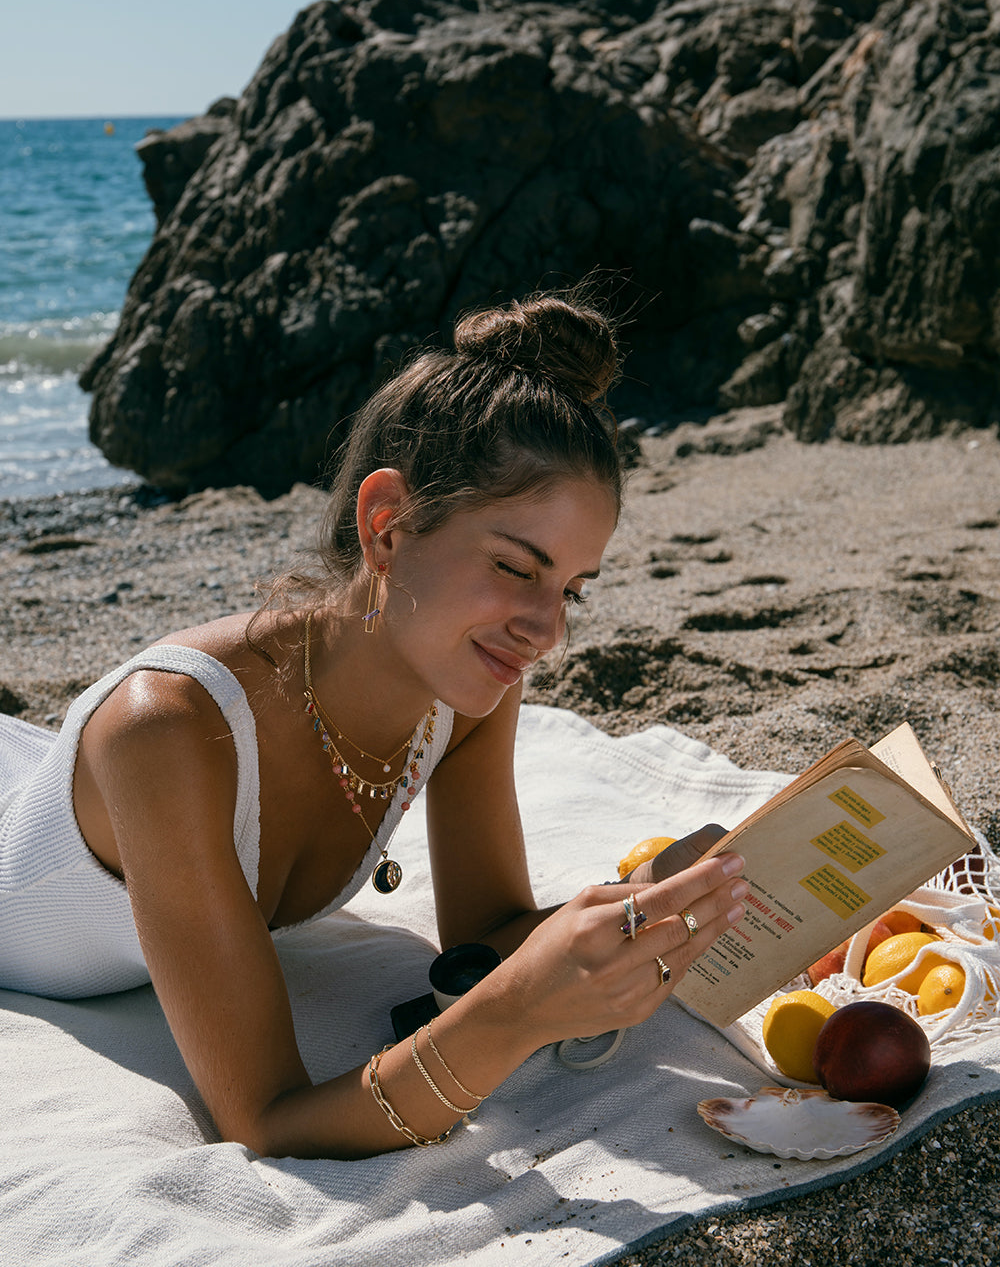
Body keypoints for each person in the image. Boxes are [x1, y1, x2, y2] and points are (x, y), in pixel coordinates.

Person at [0, 291, 747, 1159]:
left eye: (570, 590)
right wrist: (516, 1013)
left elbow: (486, 932)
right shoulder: (164, 732)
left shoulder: (466, 692)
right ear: (386, 525)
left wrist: (654, 893)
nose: (546, 631)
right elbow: (269, 1119)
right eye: (515, 567)